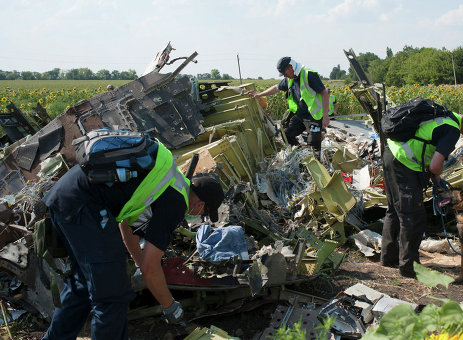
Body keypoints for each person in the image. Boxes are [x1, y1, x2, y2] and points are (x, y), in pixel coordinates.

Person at [41, 143, 225, 339]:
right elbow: (150, 267)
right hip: (86, 206)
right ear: (201, 204)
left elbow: (127, 228)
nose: (199, 216)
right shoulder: (177, 202)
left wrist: (139, 264)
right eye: (204, 214)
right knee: (112, 295)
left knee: (82, 286)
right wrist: (169, 306)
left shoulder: (167, 182)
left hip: (66, 195)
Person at [381, 107, 463, 278]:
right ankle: (409, 268)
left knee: (394, 210)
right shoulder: (452, 130)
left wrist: (435, 177)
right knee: (413, 218)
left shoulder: (446, 115)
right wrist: (436, 174)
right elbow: (434, 166)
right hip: (404, 163)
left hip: (391, 154)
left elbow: (427, 149)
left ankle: (388, 258)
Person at [248, 57, 329, 153]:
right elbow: (276, 88)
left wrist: (325, 116)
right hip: (300, 115)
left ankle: (314, 163)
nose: (284, 76)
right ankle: (299, 154)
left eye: (284, 73)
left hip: (314, 117)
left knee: (314, 146)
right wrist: (258, 95)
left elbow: (324, 93)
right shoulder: (289, 79)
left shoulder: (308, 74)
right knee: (286, 134)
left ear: (290, 67)